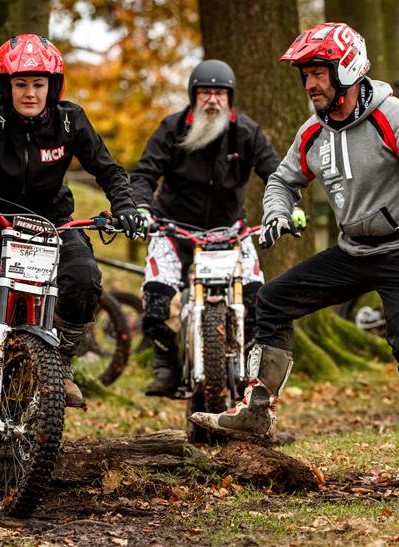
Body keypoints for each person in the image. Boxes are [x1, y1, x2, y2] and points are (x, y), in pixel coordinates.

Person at [190, 23, 399, 486]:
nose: (310, 83)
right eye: (306, 74)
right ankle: (257, 412)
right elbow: (281, 180)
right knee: (271, 299)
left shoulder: (390, 115)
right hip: (354, 249)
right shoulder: (313, 131)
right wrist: (276, 211)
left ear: (348, 69)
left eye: (319, 72)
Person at [0, 34, 142, 407]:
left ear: (53, 87)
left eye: (38, 84)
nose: (30, 93)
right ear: (6, 87)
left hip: (51, 222)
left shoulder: (71, 122)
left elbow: (110, 170)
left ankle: (60, 363)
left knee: (84, 280)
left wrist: (126, 207)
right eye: (20, 84)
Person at [131, 59, 281, 397]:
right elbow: (144, 173)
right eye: (205, 93)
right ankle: (166, 367)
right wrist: (140, 207)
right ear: (193, 96)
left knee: (258, 301)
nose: (212, 100)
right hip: (173, 230)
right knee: (156, 303)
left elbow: (276, 174)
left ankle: (247, 369)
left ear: (229, 98)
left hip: (230, 232)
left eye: (219, 93)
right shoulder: (171, 128)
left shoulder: (247, 132)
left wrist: (286, 208)